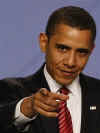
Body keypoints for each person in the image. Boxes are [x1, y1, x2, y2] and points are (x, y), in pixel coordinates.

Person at [0, 5, 100, 133]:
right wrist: (26, 107)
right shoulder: (11, 90)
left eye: (82, 52)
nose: (71, 62)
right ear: (44, 42)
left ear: (91, 50)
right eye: (63, 48)